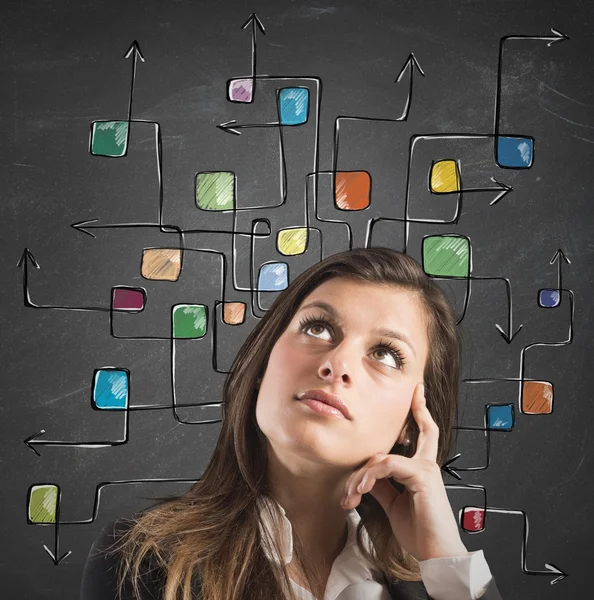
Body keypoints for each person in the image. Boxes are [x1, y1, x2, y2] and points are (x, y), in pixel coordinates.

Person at [81, 247, 502, 600]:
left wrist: (444, 556)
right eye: (318, 328)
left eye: (386, 354)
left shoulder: (438, 587)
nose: (336, 364)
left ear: (413, 421)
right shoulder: (143, 560)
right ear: (263, 364)